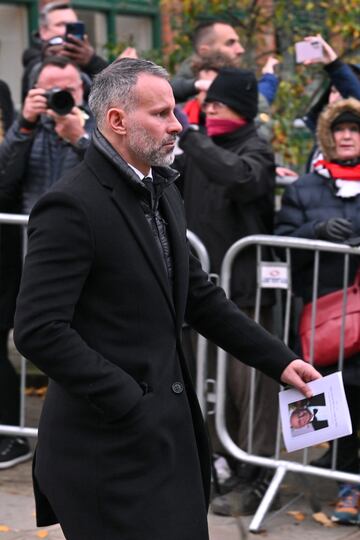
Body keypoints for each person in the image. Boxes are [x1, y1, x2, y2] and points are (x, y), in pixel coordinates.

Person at [12, 57, 320, 540]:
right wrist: (132, 401)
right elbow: (39, 330)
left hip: (166, 441)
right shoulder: (71, 205)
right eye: (160, 114)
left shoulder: (162, 189)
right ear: (116, 121)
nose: (177, 125)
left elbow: (199, 295)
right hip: (107, 453)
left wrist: (280, 362)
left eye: (174, 111)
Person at [175, 66, 282, 516]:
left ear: (242, 107)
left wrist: (193, 136)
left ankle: (253, 475)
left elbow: (240, 178)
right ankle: (224, 468)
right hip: (202, 298)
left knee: (250, 392)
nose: (211, 108)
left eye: (221, 102)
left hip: (244, 296)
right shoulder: (198, 150)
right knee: (210, 389)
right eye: (209, 101)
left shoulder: (255, 149)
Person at [0, 56, 93, 469]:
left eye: (70, 89)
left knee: (88, 345)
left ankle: (86, 439)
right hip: (34, 258)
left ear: (84, 90)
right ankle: (50, 440)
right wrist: (22, 125)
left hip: (91, 258)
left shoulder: (100, 127)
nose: (60, 96)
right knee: (45, 343)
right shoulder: (27, 128)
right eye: (51, 88)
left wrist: (80, 137)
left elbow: (122, 177)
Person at [275, 97, 360, 525]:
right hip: (323, 318)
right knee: (335, 401)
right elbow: (280, 244)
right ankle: (347, 481)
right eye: (340, 128)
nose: (347, 135)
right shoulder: (303, 188)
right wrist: (316, 229)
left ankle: (351, 484)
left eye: (355, 128)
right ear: (328, 136)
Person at [171, 20, 276, 141]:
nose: (240, 49)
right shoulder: (177, 97)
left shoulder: (249, 91)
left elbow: (260, 137)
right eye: (230, 43)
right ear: (204, 51)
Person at [21, 1, 108, 102]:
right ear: (43, 31)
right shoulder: (34, 59)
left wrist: (92, 61)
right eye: (60, 25)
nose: (67, 31)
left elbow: (111, 90)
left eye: (72, 25)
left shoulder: (86, 57)